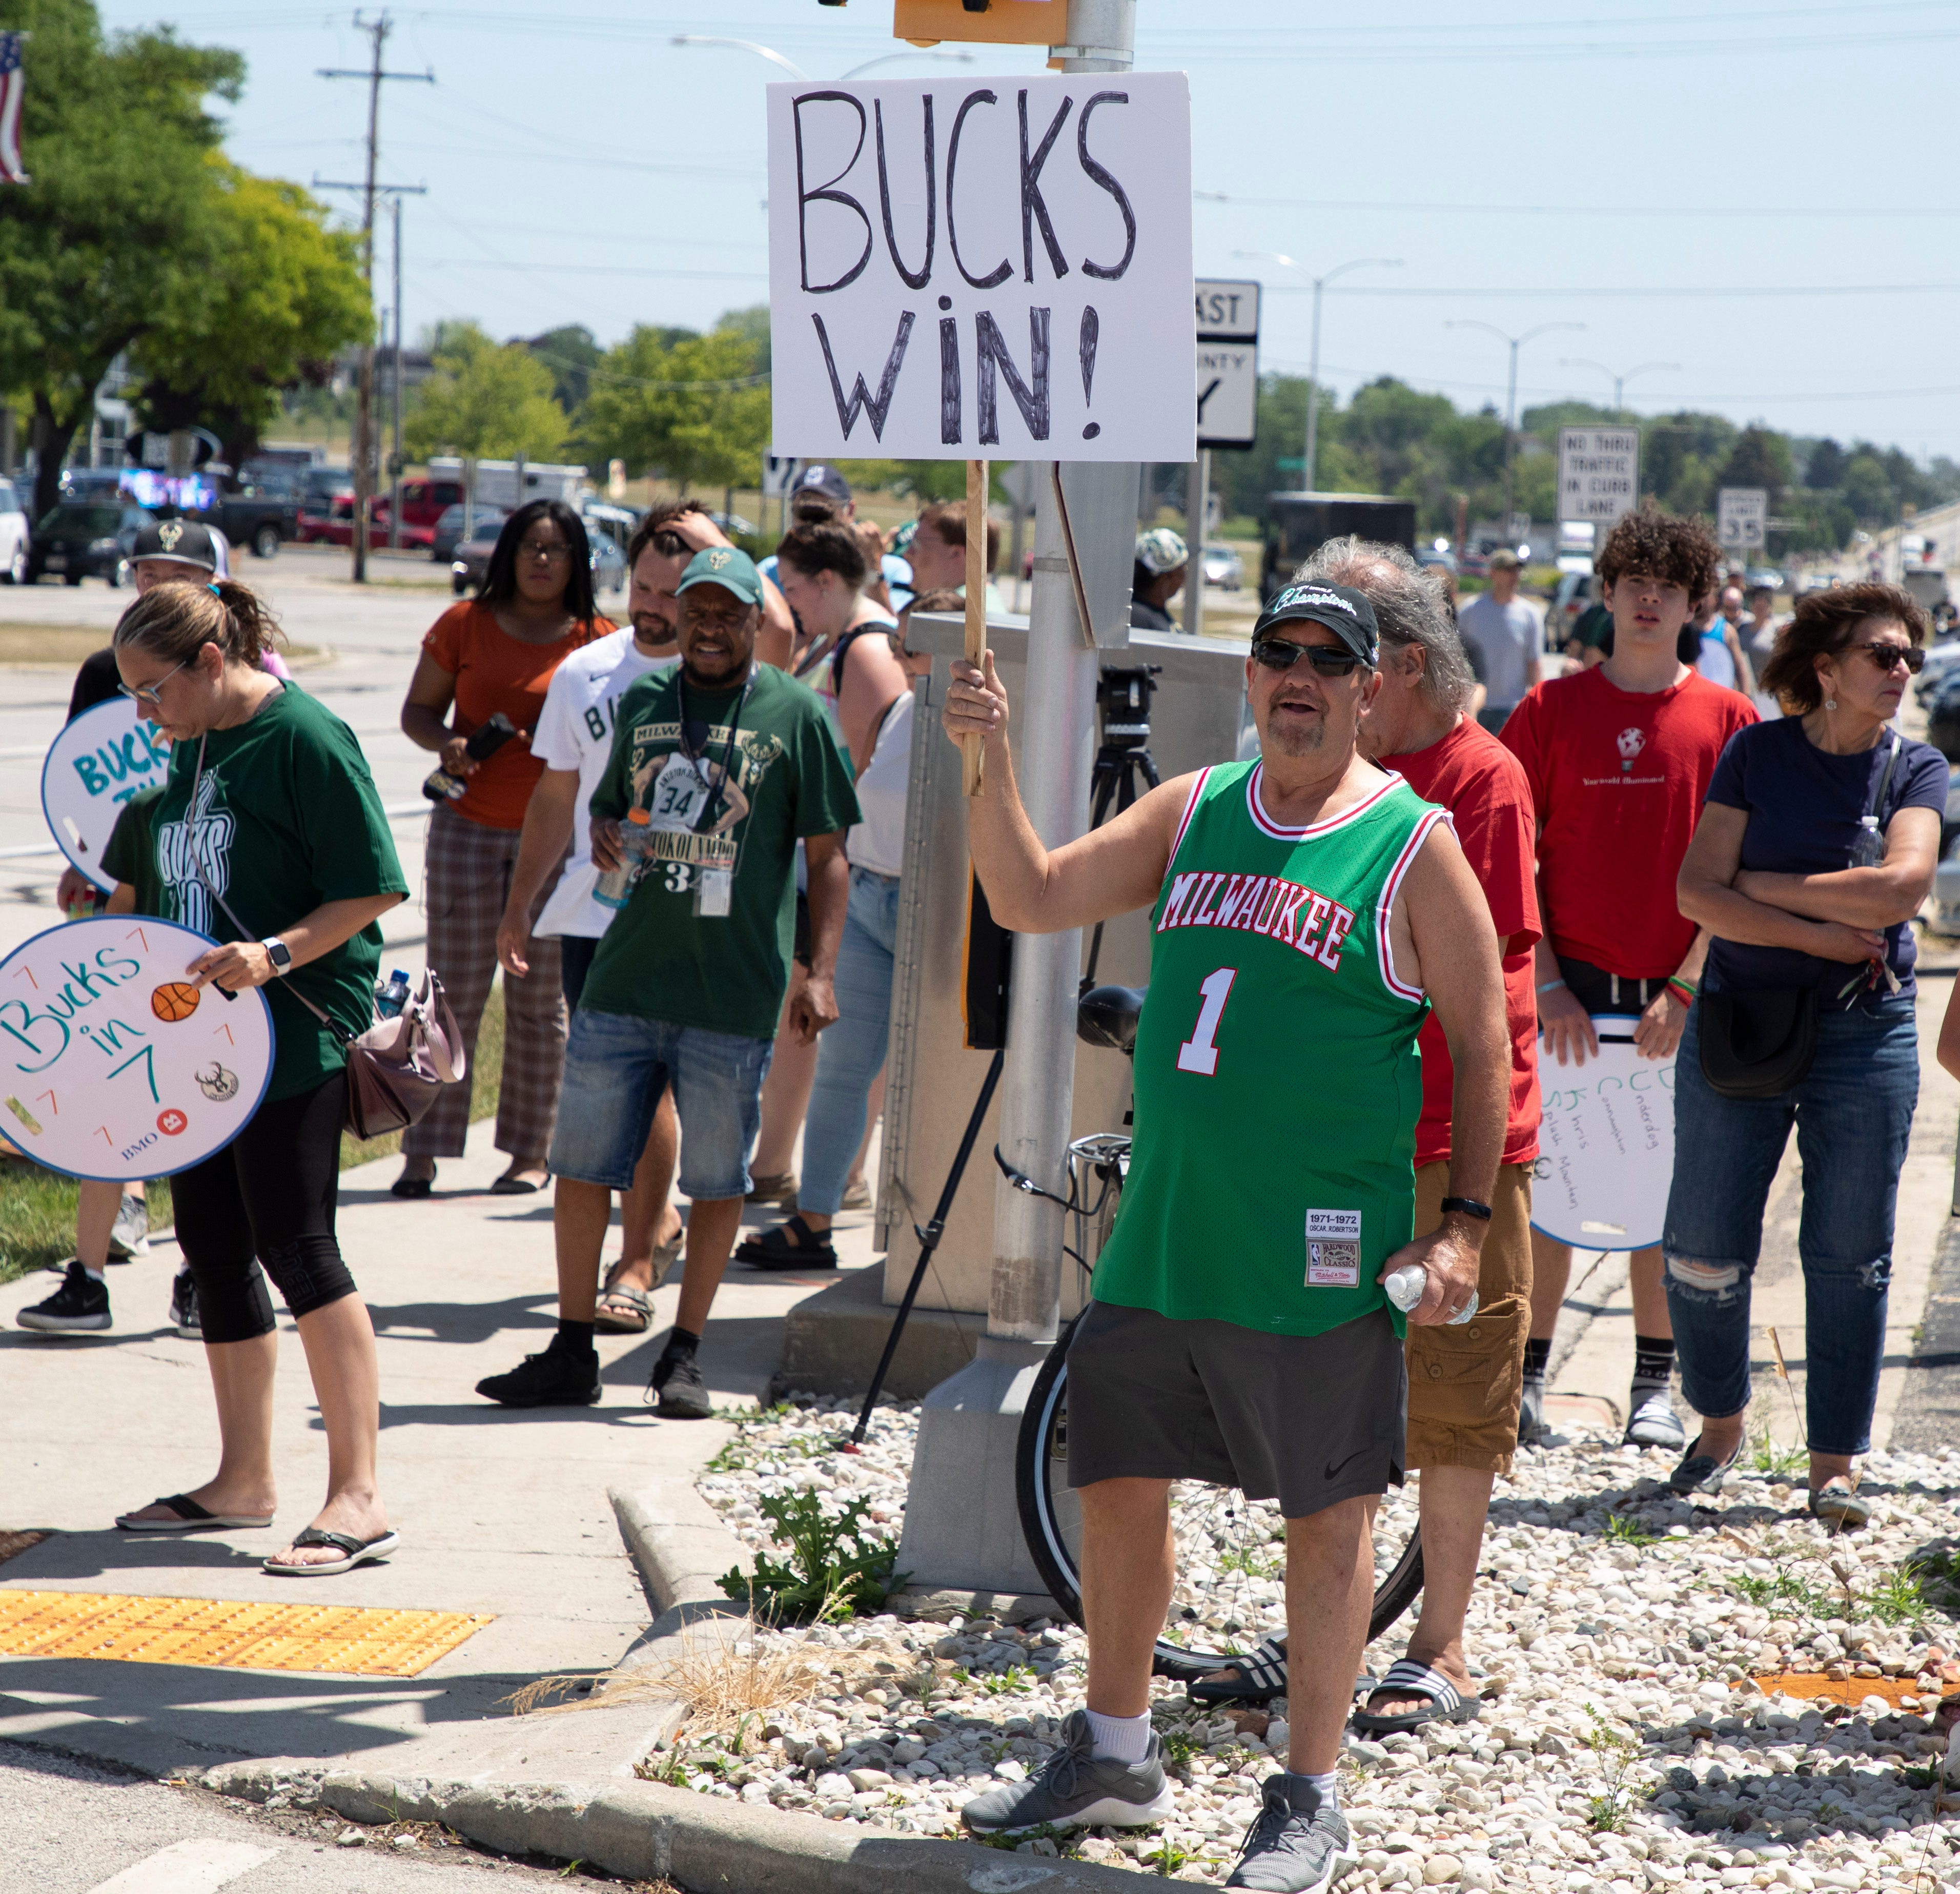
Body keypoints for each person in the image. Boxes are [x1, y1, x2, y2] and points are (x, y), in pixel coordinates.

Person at [947, 580, 1509, 1889]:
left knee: (1327, 1512)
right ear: (1248, 677)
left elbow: (1484, 1044)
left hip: (1315, 1243)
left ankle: (1310, 1792)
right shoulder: (1194, 807)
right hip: (1167, 1226)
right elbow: (1029, 893)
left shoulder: (1413, 842)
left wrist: (1466, 1227)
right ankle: (1114, 1750)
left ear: (1375, 686)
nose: (1299, 673)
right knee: (1118, 1478)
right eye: (1278, 652)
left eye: (1330, 656)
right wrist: (983, 758)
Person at [474, 549, 858, 1419]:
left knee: (715, 1183)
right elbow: (608, 805)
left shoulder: (796, 716)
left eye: (730, 614)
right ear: (676, 620)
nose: (711, 628)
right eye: (697, 613)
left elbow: (829, 859)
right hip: (623, 978)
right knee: (579, 1168)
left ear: (758, 626)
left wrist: (821, 972)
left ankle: (682, 1354)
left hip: (731, 993)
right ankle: (571, 1347)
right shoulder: (643, 701)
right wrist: (606, 830)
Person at [108, 577, 410, 1574]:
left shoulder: (305, 737)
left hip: (290, 1038)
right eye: (131, 698)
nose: (144, 715)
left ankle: (358, 1494)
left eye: (152, 691)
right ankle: (243, 1479)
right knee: (212, 1243)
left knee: (301, 1246)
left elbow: (370, 884)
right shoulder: (190, 750)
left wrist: (275, 953)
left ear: (208, 661)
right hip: (199, 1057)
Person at [1669, 584, 1942, 1522]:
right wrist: (1820, 932)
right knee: (1701, 1245)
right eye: (1880, 654)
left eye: (1907, 654)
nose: (1900, 669)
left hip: (1864, 1035)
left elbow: (1900, 889)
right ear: (1823, 672)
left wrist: (1766, 888)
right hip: (1742, 1017)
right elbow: (1695, 895)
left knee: (1848, 1253)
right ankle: (1717, 1424)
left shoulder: (1915, 768)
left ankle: (1832, 1464)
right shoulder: (1754, 754)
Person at [1502, 506, 1758, 1451]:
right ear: (1603, 593)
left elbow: (1733, 876)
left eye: (1670, 587)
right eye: (1632, 582)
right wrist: (1549, 984)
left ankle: (1652, 1388)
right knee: (1551, 1192)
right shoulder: (1546, 711)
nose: (1649, 599)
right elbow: (1512, 860)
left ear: (1697, 604)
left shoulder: (1729, 721)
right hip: (1568, 998)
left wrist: (1685, 986)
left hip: (1676, 1000)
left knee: (1661, 1199)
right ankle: (1524, 1383)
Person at [493, 504, 704, 1334]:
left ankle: (640, 1256)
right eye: (643, 586)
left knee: (650, 1083)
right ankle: (644, 1239)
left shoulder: (729, 672)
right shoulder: (584, 673)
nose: (654, 605)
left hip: (690, 917)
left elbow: (782, 629)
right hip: (590, 917)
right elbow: (554, 796)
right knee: (619, 1086)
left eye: (674, 589)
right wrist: (521, 907)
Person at [396, 500, 612, 1199]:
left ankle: (528, 1150)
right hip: (467, 825)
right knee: (446, 992)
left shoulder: (601, 639)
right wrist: (447, 743)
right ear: (507, 556)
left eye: (557, 548)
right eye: (530, 547)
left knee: (539, 998)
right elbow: (417, 712)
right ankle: (423, 1149)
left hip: (556, 841)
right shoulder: (465, 624)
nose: (543, 559)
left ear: (580, 562)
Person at [736, 588, 952, 1269]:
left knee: (940, 1078)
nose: (902, 658)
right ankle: (814, 1220)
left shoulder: (984, 723)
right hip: (868, 902)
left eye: (914, 646)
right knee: (841, 1069)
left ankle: (942, 1239)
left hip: (938, 911)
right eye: (899, 645)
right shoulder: (897, 712)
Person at [745, 520, 904, 1209]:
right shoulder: (840, 642)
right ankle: (805, 1173)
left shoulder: (866, 652)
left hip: (834, 871)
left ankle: (832, 1177)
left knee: (819, 1036)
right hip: (819, 866)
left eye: (791, 586)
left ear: (829, 581)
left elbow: (869, 778)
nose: (787, 601)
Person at [15, 782, 169, 1334]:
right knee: (107, 1130)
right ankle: (89, 1280)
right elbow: (121, 906)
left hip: (216, 1000)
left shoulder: (251, 798)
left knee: (208, 1144)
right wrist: (107, 982)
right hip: (137, 999)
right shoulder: (146, 809)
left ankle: (206, 1275)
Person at [1455, 550, 1540, 731]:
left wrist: (1538, 706)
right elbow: (1456, 655)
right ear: (1493, 573)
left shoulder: (1529, 614)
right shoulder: (1471, 611)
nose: (1514, 577)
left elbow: (1533, 664)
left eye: (1516, 571)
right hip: (1474, 705)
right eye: (1508, 571)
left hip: (1511, 706)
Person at [902, 497, 1006, 613]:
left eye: (917, 543)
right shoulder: (978, 605)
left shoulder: (964, 614)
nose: (907, 554)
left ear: (956, 553)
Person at [1692, 587, 1754, 697]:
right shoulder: (1683, 630)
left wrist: (1746, 696)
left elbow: (1740, 667)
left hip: (1722, 700)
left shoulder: (1727, 630)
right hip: (1694, 699)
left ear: (1715, 600)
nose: (1701, 601)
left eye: (1705, 596)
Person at [1129, 527, 1189, 632]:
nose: (1184, 577)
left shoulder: (1144, 615)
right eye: (1182, 567)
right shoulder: (1139, 620)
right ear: (1167, 576)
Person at [1743, 586, 1784, 719]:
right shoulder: (1742, 629)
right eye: (1757, 606)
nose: (1760, 609)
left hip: (1769, 691)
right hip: (1747, 689)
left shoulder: (1776, 630)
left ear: (1769, 608)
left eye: (1763, 606)